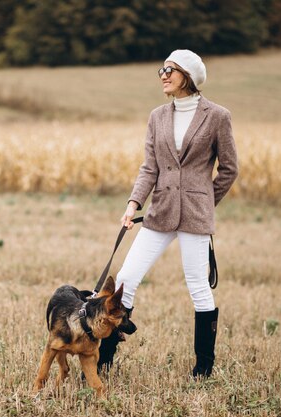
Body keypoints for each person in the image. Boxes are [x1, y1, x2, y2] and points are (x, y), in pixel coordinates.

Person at [98, 49, 238, 378]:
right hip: (159, 212)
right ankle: (103, 362)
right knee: (126, 280)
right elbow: (150, 168)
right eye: (161, 69)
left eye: (170, 70)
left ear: (186, 76)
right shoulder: (157, 116)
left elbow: (229, 170)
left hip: (194, 216)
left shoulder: (218, 116)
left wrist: (204, 201)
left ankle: (203, 367)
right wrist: (133, 205)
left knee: (198, 286)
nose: (163, 74)